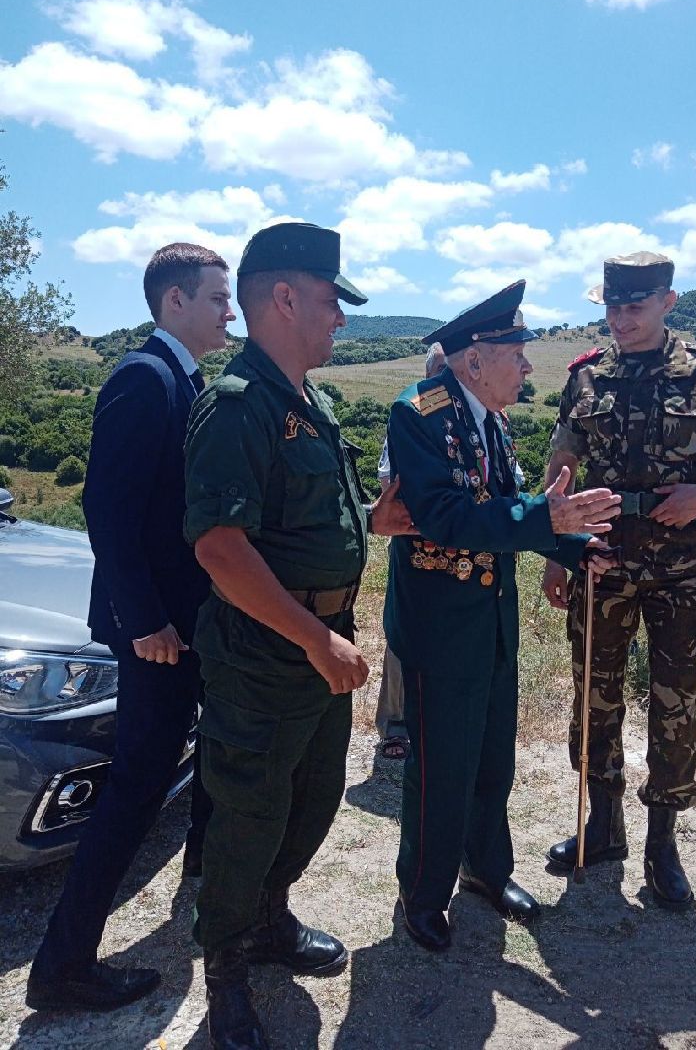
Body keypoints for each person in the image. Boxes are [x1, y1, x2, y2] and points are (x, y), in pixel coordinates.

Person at [184, 222, 415, 1050]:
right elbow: (221, 550)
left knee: (310, 802)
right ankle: (227, 972)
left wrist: (375, 518)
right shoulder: (237, 407)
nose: (341, 320)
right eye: (330, 302)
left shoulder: (311, 403)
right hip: (265, 656)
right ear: (284, 299)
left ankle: (271, 920)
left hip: (325, 646)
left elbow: (310, 515)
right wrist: (316, 643)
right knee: (247, 816)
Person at [27, 243, 235, 1012]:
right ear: (174, 302)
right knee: (137, 786)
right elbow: (107, 514)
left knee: (201, 750)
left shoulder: (184, 379)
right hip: (156, 633)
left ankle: (206, 880)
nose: (229, 311)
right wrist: (144, 620)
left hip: (183, 625)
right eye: (217, 297)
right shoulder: (143, 378)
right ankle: (63, 967)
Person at [383, 280, 621, 952]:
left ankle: (486, 871)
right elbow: (446, 517)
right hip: (440, 625)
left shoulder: (493, 418)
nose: (527, 368)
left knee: (491, 757)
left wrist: (572, 547)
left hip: (490, 618)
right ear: (473, 357)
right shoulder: (420, 414)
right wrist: (546, 517)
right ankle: (423, 895)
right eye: (517, 353)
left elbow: (506, 509)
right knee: (441, 766)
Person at [542, 252, 696, 910]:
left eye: (634, 306)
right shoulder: (586, 376)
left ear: (667, 302)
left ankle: (662, 839)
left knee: (676, 701)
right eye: (612, 306)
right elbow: (563, 464)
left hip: (683, 565)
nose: (620, 318)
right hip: (603, 559)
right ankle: (604, 824)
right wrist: (556, 547)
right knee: (595, 694)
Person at [375, 342, 447, 759]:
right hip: (415, 548)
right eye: (437, 372)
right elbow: (389, 482)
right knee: (403, 634)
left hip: (466, 556)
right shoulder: (410, 414)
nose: (443, 382)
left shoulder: (489, 416)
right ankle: (396, 724)